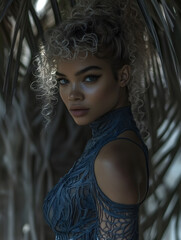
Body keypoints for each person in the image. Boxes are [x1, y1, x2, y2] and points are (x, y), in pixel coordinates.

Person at [35, 0, 152, 239]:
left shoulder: (112, 157)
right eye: (63, 81)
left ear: (123, 75)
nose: (72, 94)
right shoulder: (107, 144)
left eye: (89, 78)